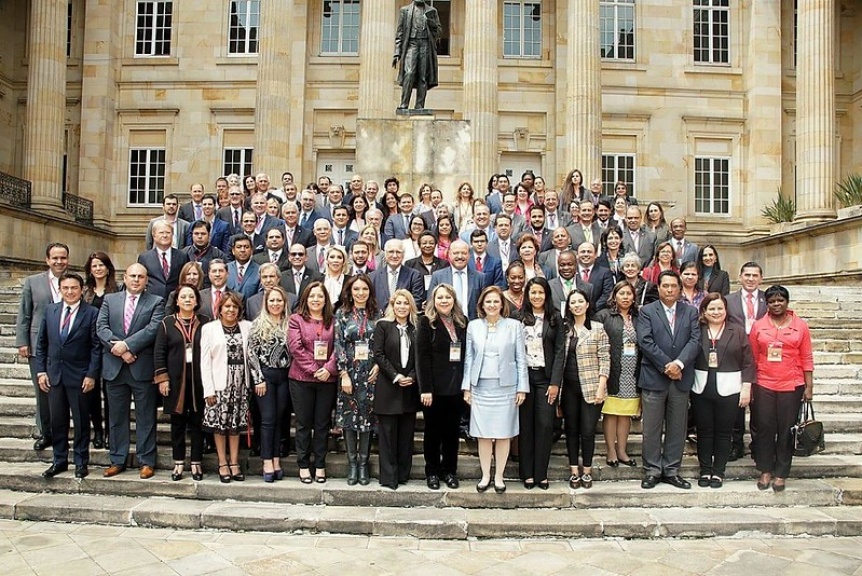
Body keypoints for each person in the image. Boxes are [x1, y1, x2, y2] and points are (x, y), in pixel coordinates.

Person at [96, 263, 165, 479]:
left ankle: (146, 460)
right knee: (116, 417)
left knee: (146, 417)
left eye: (141, 276)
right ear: (124, 278)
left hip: (141, 368)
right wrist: (119, 349)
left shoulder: (156, 302)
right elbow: (101, 328)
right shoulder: (109, 300)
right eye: (132, 275)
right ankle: (117, 459)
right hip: (115, 368)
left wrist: (127, 346)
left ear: (146, 280)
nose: (136, 280)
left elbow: (152, 329)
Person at [637, 270, 700, 490]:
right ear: (659, 287)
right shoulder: (646, 311)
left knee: (677, 427)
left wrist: (679, 364)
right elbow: (645, 341)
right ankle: (653, 470)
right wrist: (667, 366)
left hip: (680, 378)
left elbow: (694, 340)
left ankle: (672, 470)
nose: (670, 290)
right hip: (654, 377)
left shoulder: (690, 312)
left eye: (674, 286)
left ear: (680, 289)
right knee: (652, 428)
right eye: (666, 286)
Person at [462, 286, 529, 493]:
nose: (492, 305)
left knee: (503, 434)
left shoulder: (514, 326)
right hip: (481, 387)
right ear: (482, 304)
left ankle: (499, 476)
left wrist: (522, 388)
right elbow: (469, 359)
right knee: (483, 434)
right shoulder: (473, 326)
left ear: (502, 304)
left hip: (506, 387)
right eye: (488, 302)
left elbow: (520, 358)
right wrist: (467, 387)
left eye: (496, 301)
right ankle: (485, 476)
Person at [34, 272, 101, 479]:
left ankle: (81, 461)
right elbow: (42, 343)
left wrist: (91, 375)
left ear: (81, 290)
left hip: (80, 376)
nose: (70, 292)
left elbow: (96, 347)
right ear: (60, 290)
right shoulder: (51, 310)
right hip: (54, 376)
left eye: (74, 288)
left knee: (81, 422)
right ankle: (59, 460)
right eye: (66, 288)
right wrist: (41, 371)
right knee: (58, 421)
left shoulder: (91, 313)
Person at [749, 285, 814, 492]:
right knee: (765, 428)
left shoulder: (800, 326)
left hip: (791, 384)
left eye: (780, 300)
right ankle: (765, 469)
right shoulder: (758, 326)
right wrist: (749, 385)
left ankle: (781, 473)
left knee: (786, 430)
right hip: (764, 383)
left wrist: (809, 385)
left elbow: (806, 356)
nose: (776, 304)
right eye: (772, 301)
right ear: (766, 304)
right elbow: (752, 356)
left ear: (787, 302)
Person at [692, 293, 755, 489]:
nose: (716, 312)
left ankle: (718, 471)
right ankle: (705, 469)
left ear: (726, 310)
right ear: (704, 311)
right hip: (701, 387)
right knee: (704, 431)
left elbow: (748, 361)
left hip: (729, 388)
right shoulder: (697, 330)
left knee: (723, 432)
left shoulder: (736, 331)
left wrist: (746, 387)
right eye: (712, 308)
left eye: (720, 308)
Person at [154, 284, 209, 482]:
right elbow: (159, 353)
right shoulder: (166, 323)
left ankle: (196, 462)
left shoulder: (206, 322)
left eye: (191, 297)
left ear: (196, 301)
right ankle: (178, 462)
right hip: (175, 380)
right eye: (183, 297)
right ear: (176, 301)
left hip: (199, 380)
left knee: (197, 422)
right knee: (177, 423)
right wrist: (162, 378)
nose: (187, 300)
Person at [18, 243, 69, 452]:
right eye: (55, 258)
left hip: (65, 345)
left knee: (64, 390)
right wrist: (22, 342)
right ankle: (45, 432)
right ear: (47, 260)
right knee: (43, 391)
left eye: (63, 258)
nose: (59, 262)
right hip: (38, 344)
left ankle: (62, 431)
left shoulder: (73, 282)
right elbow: (25, 313)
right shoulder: (33, 282)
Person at [557, 289, 610, 489]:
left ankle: (586, 471)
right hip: (568, 388)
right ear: (568, 307)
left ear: (587, 304)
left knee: (587, 431)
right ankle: (573, 472)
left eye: (581, 301)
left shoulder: (597, 328)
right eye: (573, 302)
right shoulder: (564, 329)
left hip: (591, 387)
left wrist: (601, 386)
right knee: (571, 430)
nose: (577, 305)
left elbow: (605, 359)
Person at [417, 284, 467, 490]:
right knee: (432, 432)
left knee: (451, 432)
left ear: (453, 300)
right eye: (440, 298)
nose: (444, 301)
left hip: (456, 388)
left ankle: (449, 471)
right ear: (433, 301)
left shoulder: (463, 322)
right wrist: (425, 389)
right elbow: (422, 357)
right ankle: (432, 472)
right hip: (434, 389)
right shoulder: (426, 322)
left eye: (448, 297)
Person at [288, 281, 338, 483]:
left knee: (322, 424)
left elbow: (340, 347)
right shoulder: (296, 319)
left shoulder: (334, 320)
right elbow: (295, 348)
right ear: (305, 299)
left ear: (325, 299)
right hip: (301, 379)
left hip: (327, 380)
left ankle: (319, 464)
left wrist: (328, 369)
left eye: (320, 296)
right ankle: (303, 464)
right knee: (303, 424)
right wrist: (315, 370)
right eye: (312, 296)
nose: (316, 300)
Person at [517, 278, 564, 490]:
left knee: (545, 426)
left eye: (540, 293)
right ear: (527, 295)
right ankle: (527, 473)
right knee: (526, 426)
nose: (536, 296)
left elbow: (560, 352)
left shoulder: (555, 318)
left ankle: (541, 473)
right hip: (525, 378)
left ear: (547, 295)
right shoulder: (518, 318)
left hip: (546, 379)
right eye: (533, 292)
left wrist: (555, 383)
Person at [200, 291, 252, 483]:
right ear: (220, 309)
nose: (231, 310)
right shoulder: (209, 329)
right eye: (227, 306)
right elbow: (204, 362)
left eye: (234, 306)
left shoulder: (247, 327)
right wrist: (209, 390)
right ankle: (222, 462)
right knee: (220, 426)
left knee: (235, 426)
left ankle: (235, 462)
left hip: (240, 384)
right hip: (219, 384)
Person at [335, 276, 381, 486]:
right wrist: (343, 373)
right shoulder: (342, 315)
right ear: (350, 291)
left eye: (364, 289)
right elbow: (339, 345)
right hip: (350, 376)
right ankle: (352, 464)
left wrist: (379, 366)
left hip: (371, 374)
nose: (360, 293)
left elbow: (383, 343)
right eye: (356, 289)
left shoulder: (377, 314)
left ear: (370, 291)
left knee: (368, 420)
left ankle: (364, 464)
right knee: (349, 420)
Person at [372, 290, 420, 489]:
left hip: (409, 387)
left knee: (406, 435)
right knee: (388, 435)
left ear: (411, 307)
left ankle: (402, 474)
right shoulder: (383, 326)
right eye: (398, 303)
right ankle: (389, 477)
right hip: (388, 386)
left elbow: (420, 356)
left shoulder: (416, 329)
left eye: (406, 303)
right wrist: (396, 376)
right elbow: (378, 354)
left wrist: (412, 376)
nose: (402, 307)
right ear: (392, 305)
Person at [247, 286, 292, 482]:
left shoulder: (291, 323)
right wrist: (258, 379)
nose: (275, 304)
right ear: (266, 303)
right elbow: (251, 354)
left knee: (280, 418)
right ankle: (266, 460)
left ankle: (276, 459)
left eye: (279, 301)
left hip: (285, 376)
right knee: (268, 419)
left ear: (284, 303)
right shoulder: (258, 324)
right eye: (272, 300)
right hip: (265, 376)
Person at [596, 281, 641, 468]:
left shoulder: (639, 317)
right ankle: (611, 451)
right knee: (611, 413)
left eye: (629, 294)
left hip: (632, 373)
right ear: (614, 296)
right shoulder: (604, 316)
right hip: (612, 371)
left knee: (625, 414)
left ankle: (622, 450)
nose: (625, 297)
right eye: (621, 293)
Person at [725, 261, 767, 461]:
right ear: (740, 277)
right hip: (735, 357)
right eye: (747, 275)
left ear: (761, 278)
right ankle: (736, 443)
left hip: (763, 357)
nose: (750, 279)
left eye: (755, 275)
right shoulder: (728, 300)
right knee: (737, 404)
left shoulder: (769, 300)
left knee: (759, 403)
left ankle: (759, 444)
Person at [82, 250, 120, 450]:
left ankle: (110, 433)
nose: (98, 269)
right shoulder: (84, 291)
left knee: (110, 392)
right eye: (94, 266)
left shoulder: (117, 289)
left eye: (101, 265)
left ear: (108, 268)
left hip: (110, 345)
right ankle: (97, 430)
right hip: (89, 346)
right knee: (92, 393)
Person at [393, 0, 441, 110]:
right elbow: (399, 33)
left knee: (423, 76)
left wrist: (431, 22)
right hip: (411, 44)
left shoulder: (432, 11)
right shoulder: (405, 11)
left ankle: (419, 106)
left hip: (425, 44)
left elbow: (439, 32)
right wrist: (397, 52)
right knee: (409, 73)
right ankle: (404, 104)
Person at [139, 220, 191, 301]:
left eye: (168, 232)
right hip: (151, 301)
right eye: (161, 232)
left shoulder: (182, 256)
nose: (165, 235)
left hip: (175, 301)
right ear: (154, 235)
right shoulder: (144, 258)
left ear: (172, 235)